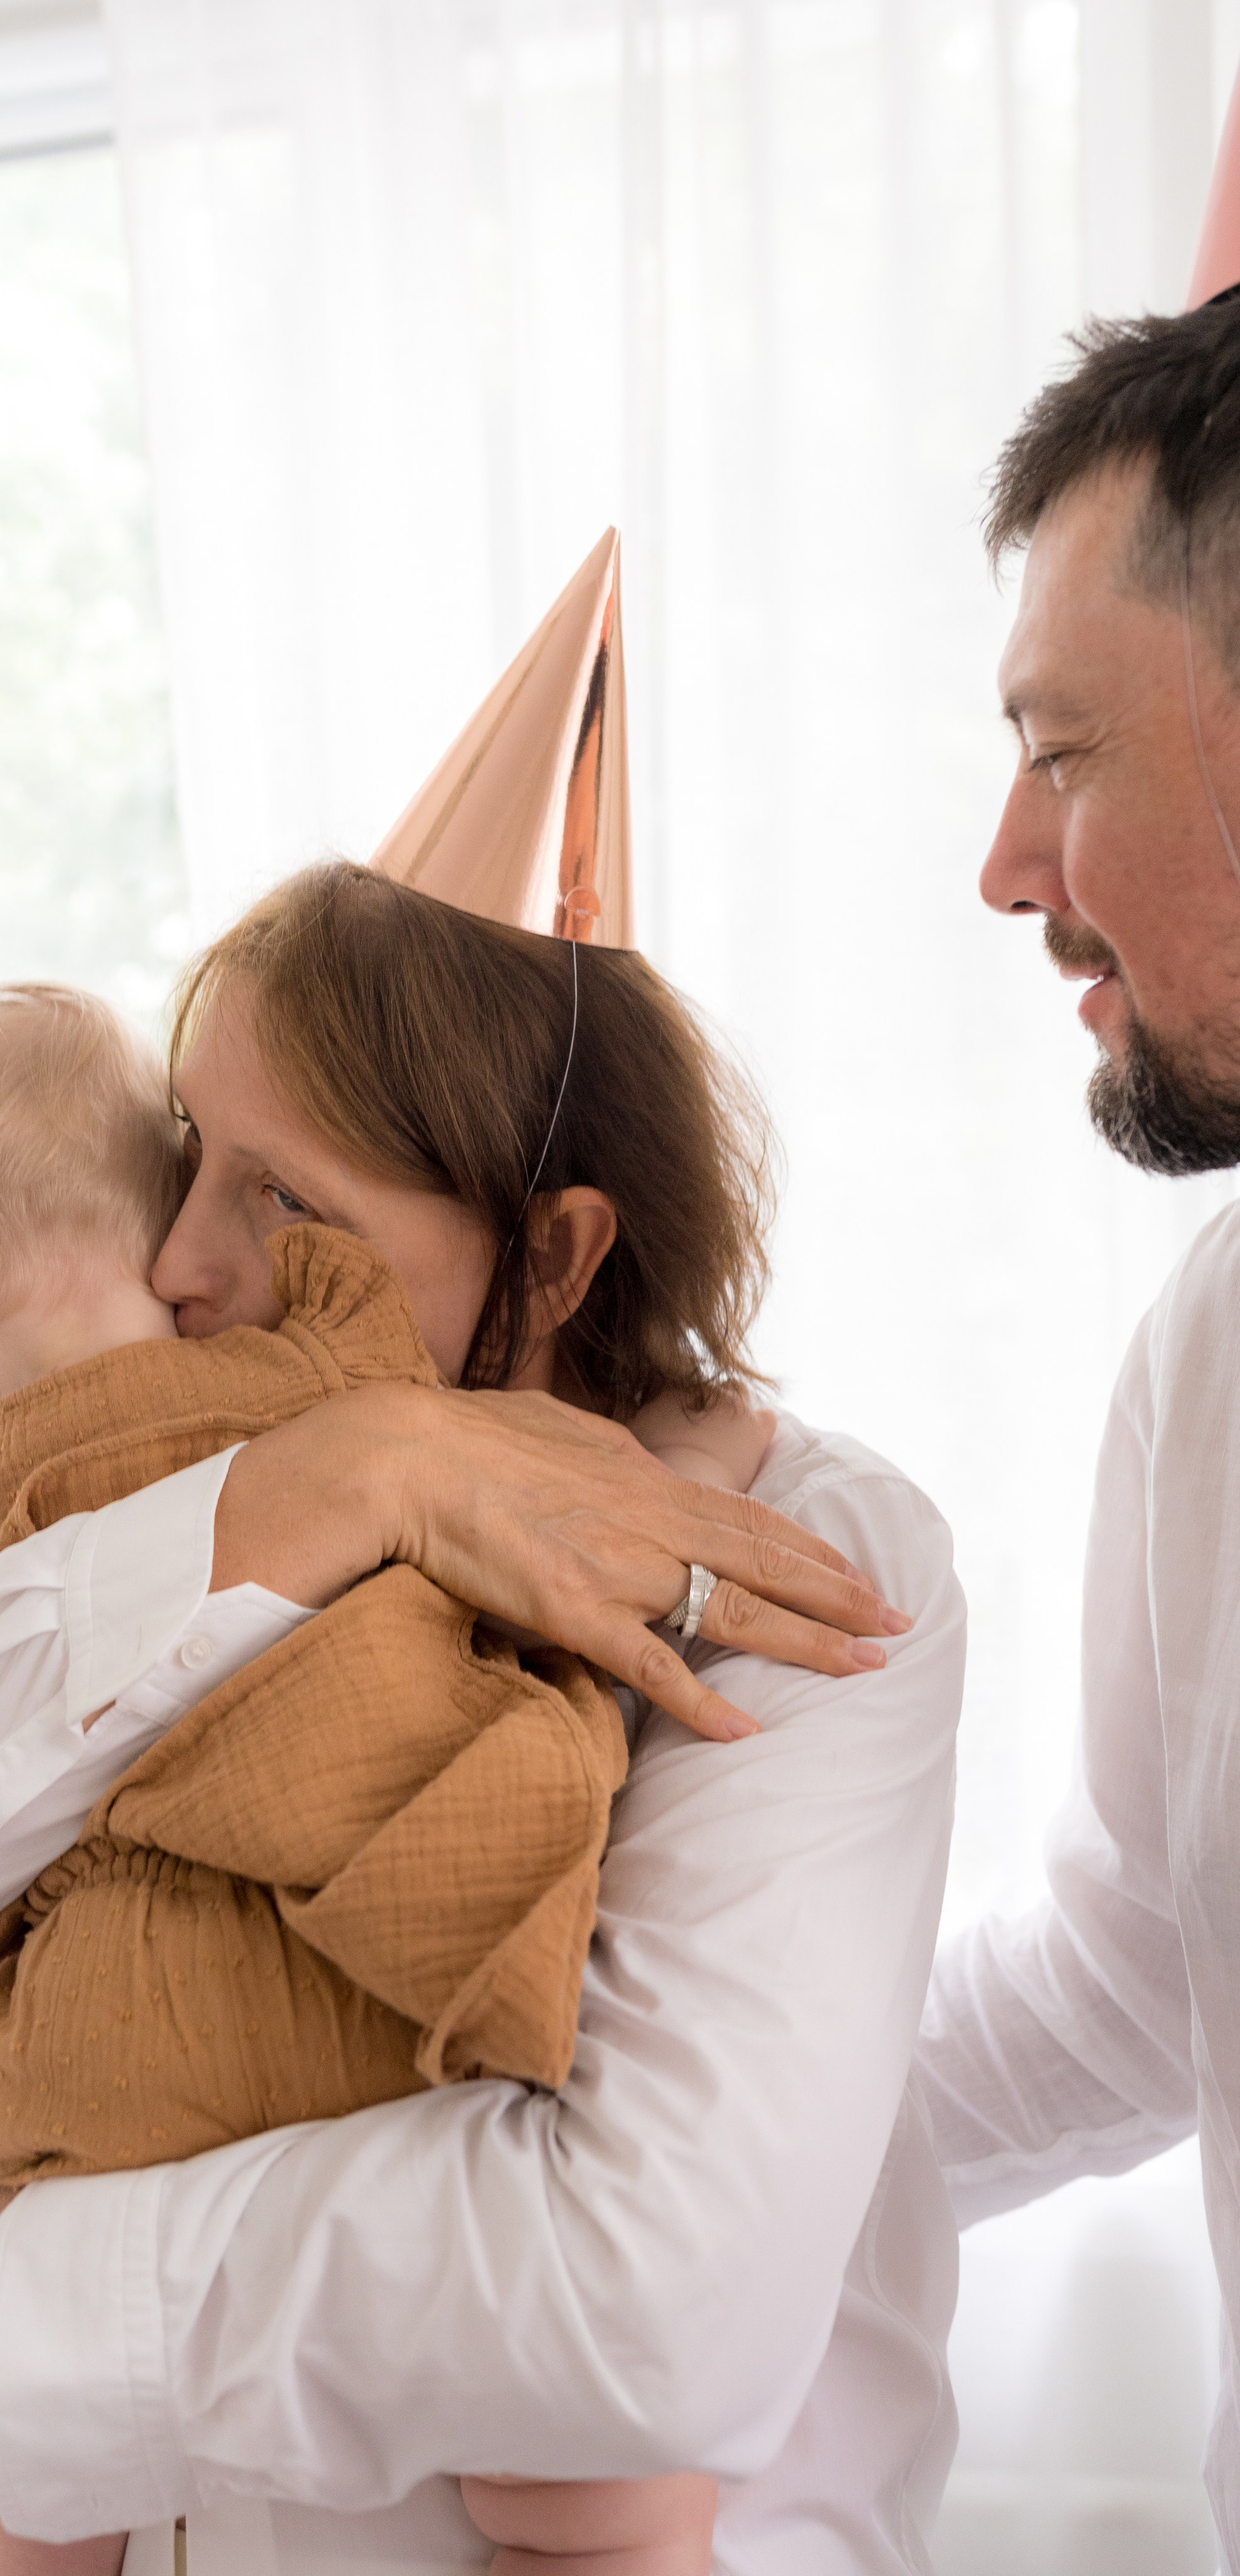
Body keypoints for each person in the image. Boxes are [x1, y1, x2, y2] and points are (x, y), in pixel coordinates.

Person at [0, 533, 964, 2576]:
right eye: (185, 1160)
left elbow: (635, 2309)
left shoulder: (800, 1549)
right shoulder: (171, 1488)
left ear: (551, 1255)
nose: (183, 1265)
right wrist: (317, 1488)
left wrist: (28, 2259)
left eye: (282, 1203)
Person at [0, 968, 775, 2576]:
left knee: (37, 2471)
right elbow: (553, 1490)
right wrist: (695, 1462)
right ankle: (583, 2539)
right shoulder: (330, 1393)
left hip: (85, 2070)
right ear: (154, 1219)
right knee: (595, 2483)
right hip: (375, 1997)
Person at [915, 95, 1240, 2575]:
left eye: (1060, 750)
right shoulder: (1208, 1352)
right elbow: (1141, 1974)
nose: (1011, 865)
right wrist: (638, 2132)